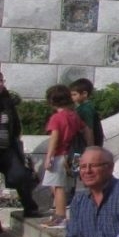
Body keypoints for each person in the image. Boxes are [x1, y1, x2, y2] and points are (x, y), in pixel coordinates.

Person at [41, 83, 90, 227]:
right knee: (68, 185)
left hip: (61, 155)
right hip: (74, 155)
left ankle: (60, 216)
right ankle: (63, 214)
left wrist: (49, 157)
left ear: (52, 101)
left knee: (58, 186)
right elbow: (86, 129)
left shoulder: (57, 118)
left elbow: (55, 137)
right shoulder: (73, 116)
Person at [0, 70, 40, 220]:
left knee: (20, 176)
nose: (1, 84)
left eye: (1, 81)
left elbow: (15, 124)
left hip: (7, 149)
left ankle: (30, 207)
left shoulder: (7, 101)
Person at [70, 79, 103, 148]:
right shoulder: (84, 107)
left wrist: (90, 148)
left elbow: (89, 130)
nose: (71, 97)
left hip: (85, 146)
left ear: (84, 94)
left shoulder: (86, 110)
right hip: (81, 144)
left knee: (77, 158)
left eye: (74, 94)